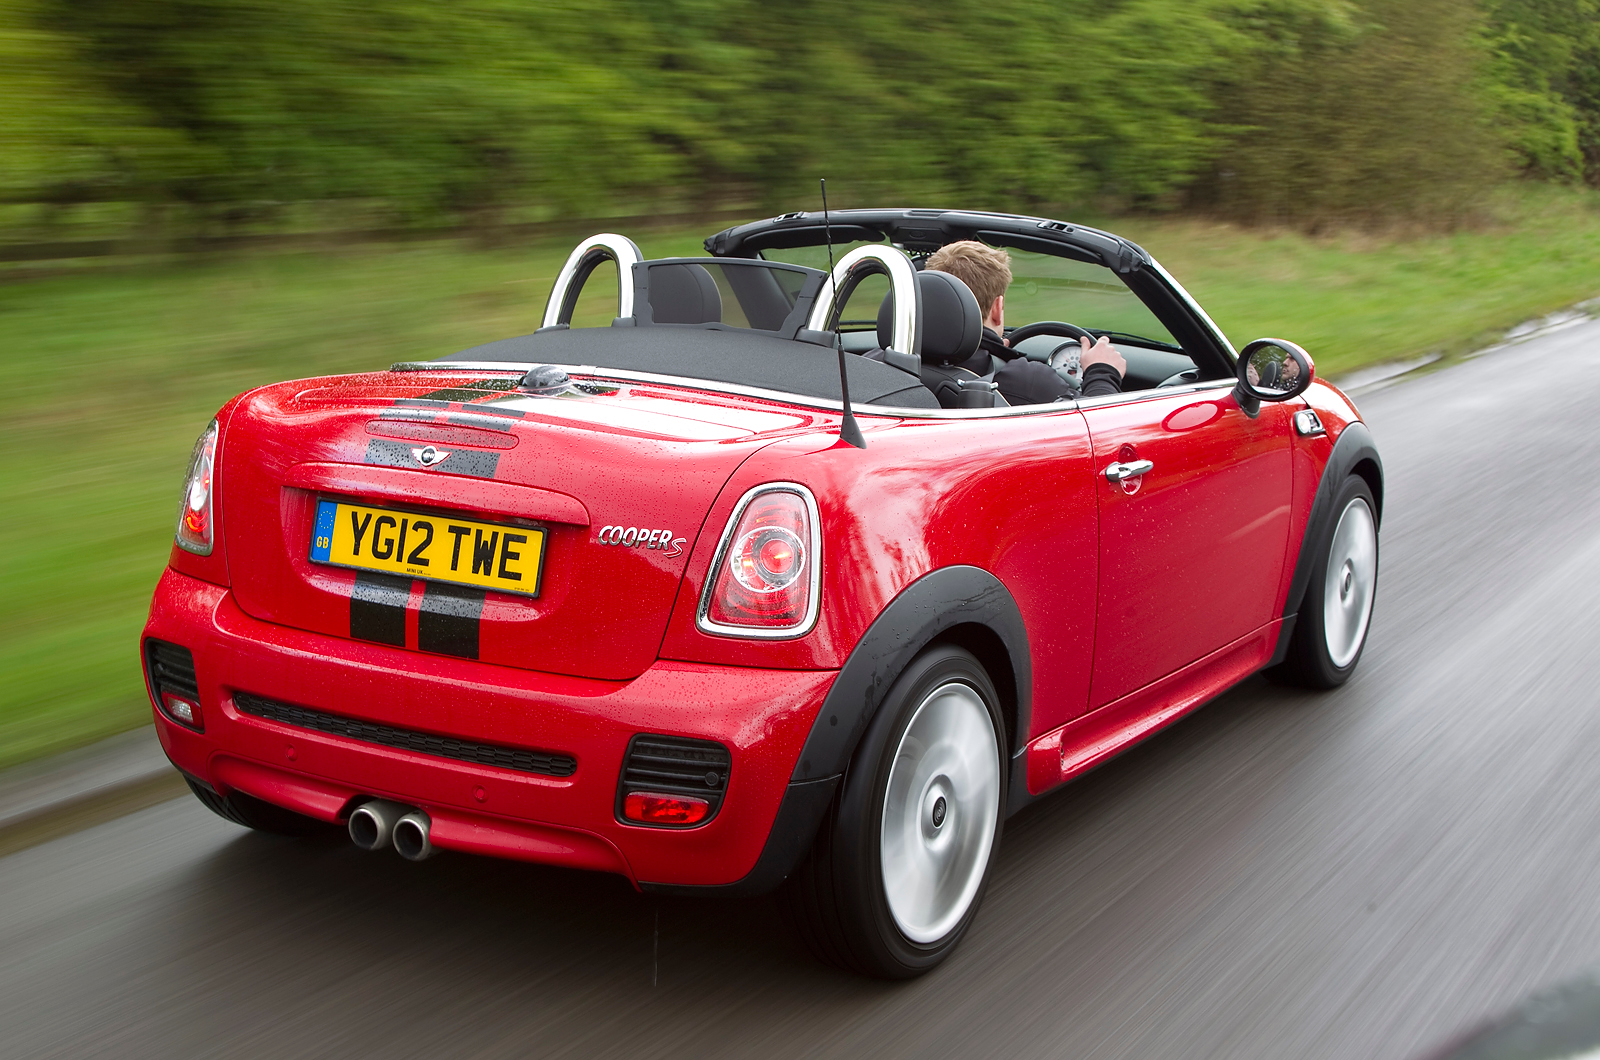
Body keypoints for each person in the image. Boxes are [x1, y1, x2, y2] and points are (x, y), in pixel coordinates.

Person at [923, 240, 1127, 402]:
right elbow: (1100, 433)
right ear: (997, 308)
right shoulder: (1028, 382)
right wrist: (1102, 372)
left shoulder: (896, 366)